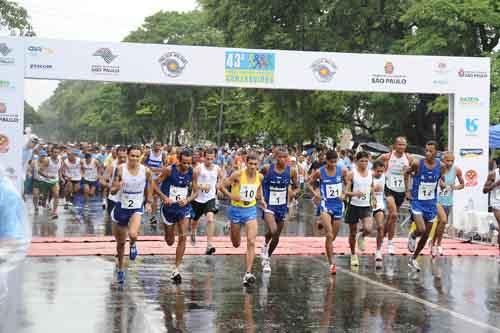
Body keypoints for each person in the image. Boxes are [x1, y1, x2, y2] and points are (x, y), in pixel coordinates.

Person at [219, 153, 266, 285]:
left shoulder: (260, 177)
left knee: (251, 241)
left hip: (250, 210)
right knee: (236, 244)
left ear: (258, 165)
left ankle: (248, 273)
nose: (252, 166)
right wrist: (231, 196)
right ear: (246, 163)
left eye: (255, 164)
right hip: (236, 210)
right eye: (250, 164)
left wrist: (261, 200)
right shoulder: (238, 175)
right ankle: (231, 228)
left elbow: (258, 190)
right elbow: (221, 187)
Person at [110, 145, 154, 283]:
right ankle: (121, 268)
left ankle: (133, 245)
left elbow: (150, 185)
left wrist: (148, 201)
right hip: (121, 207)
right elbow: (112, 191)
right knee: (121, 243)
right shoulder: (120, 169)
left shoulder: (145, 170)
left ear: (140, 156)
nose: (134, 158)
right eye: (132, 155)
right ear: (127, 155)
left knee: (133, 234)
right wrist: (118, 186)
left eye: (137, 156)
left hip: (136, 206)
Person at [156, 149, 197, 284]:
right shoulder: (169, 170)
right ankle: (169, 231)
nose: (186, 165)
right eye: (184, 162)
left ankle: (176, 269)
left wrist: (188, 199)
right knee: (170, 241)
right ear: (179, 160)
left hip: (183, 208)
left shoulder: (193, 172)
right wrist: (163, 197)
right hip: (168, 208)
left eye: (189, 163)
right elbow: (154, 183)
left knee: (183, 236)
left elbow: (195, 192)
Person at [307, 150, 347, 274]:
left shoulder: (342, 170)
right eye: (331, 162)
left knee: (332, 237)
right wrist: (315, 194)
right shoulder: (321, 171)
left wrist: (344, 193)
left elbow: (348, 182)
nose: (333, 164)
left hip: (338, 205)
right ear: (327, 160)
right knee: (329, 235)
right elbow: (308, 183)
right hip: (326, 204)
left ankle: (322, 224)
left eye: (335, 161)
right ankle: (332, 263)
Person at [260, 148, 298, 273]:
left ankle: (267, 255)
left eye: (286, 157)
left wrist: (293, 193)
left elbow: (297, 188)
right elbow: (256, 179)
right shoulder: (267, 169)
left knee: (276, 236)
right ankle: (265, 255)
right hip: (269, 205)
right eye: (281, 157)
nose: (284, 160)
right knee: (273, 229)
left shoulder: (291, 171)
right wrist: (259, 195)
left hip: (282, 207)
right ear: (276, 157)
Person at [407, 141, 442, 272]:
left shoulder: (440, 165)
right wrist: (407, 190)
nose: (427, 153)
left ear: (436, 153)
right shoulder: (417, 163)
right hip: (417, 201)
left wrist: (442, 183)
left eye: (430, 151)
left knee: (426, 235)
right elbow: (407, 173)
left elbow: (440, 178)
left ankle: (414, 258)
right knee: (420, 229)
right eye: (426, 150)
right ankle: (413, 235)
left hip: (431, 203)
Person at [377, 137, 413, 255]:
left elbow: (409, 176)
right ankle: (391, 243)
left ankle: (382, 235)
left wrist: (407, 191)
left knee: (392, 218)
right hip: (388, 188)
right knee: (393, 214)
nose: (401, 147)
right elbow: (374, 167)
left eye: (403, 145)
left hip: (401, 190)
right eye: (399, 144)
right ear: (394, 145)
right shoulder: (386, 157)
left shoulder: (409, 158)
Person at [191, 148, 224, 255]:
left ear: (214, 158)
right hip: (197, 198)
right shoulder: (198, 169)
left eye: (211, 159)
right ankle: (193, 232)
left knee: (210, 219)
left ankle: (209, 244)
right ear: (203, 157)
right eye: (207, 158)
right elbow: (192, 183)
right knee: (195, 220)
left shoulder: (217, 169)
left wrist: (219, 187)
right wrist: (201, 186)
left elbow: (222, 178)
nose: (209, 161)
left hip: (210, 198)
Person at [344, 151, 374, 267]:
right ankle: (353, 254)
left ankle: (361, 236)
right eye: (362, 161)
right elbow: (345, 192)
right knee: (352, 232)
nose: (364, 163)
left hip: (366, 205)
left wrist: (374, 197)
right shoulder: (352, 174)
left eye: (366, 161)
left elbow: (371, 187)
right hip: (353, 206)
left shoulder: (371, 173)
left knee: (368, 228)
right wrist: (354, 193)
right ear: (357, 162)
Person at [432, 152, 464, 256]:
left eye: (452, 161)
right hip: (436, 200)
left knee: (441, 223)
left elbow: (462, 184)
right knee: (443, 220)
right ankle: (438, 244)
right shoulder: (438, 169)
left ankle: (433, 243)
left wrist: (454, 187)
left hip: (448, 201)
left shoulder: (457, 170)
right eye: (447, 160)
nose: (449, 163)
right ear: (443, 160)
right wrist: (439, 184)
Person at [142, 141, 167, 224]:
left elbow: (165, 166)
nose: (158, 146)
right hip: (148, 178)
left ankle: (153, 217)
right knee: (147, 197)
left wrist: (160, 170)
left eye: (159, 145)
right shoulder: (149, 153)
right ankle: (141, 210)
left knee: (155, 198)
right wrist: (150, 169)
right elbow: (142, 164)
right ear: (153, 146)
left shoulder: (163, 154)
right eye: (156, 145)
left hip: (157, 179)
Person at [100, 146, 127, 216]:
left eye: (124, 157)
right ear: (117, 155)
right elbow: (102, 180)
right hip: (113, 198)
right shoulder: (112, 166)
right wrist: (109, 186)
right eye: (120, 157)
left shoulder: (131, 165)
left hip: (127, 197)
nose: (123, 159)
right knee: (113, 219)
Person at [483, 166, 500, 263]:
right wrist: (496, 184)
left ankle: (494, 227)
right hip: (497, 203)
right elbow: (484, 190)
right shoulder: (493, 174)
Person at [372, 160, 386, 268]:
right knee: (366, 229)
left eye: (382, 171)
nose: (380, 173)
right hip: (366, 205)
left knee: (380, 227)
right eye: (378, 171)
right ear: (373, 170)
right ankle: (361, 235)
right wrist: (372, 189)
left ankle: (378, 250)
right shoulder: (368, 176)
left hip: (379, 205)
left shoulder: (384, 177)